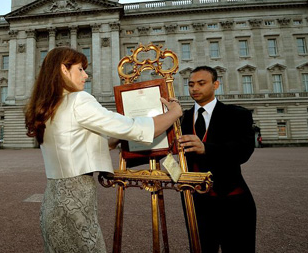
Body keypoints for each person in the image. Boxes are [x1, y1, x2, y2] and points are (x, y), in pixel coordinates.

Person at [25, 47, 182, 253]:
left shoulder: (48, 105)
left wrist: (114, 140)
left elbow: (74, 143)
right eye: (80, 69)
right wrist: (174, 113)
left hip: (53, 199)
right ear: (64, 69)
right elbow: (136, 128)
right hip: (76, 199)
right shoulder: (79, 99)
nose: (85, 75)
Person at [179, 66, 256, 253]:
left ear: (216, 85)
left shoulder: (238, 114)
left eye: (201, 83)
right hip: (196, 202)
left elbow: (244, 150)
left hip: (232, 199)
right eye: (191, 84)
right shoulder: (181, 118)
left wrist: (206, 148)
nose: (194, 88)